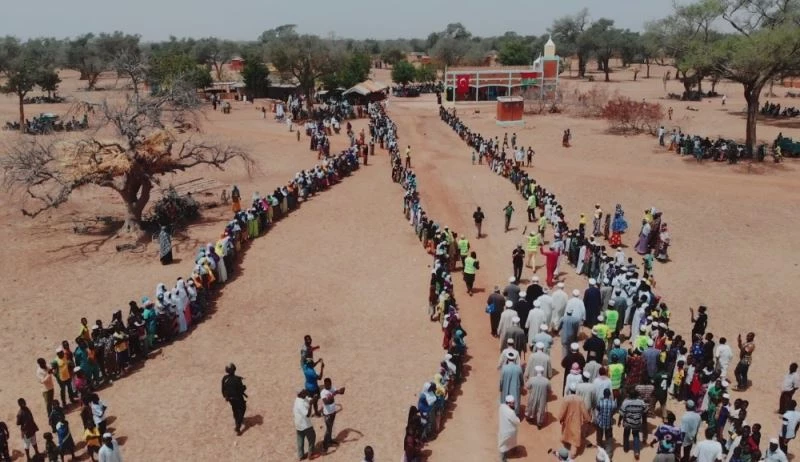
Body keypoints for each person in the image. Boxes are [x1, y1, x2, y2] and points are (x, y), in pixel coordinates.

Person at [559, 383, 592, 457]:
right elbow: (584, 411)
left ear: (570, 390)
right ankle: (573, 454)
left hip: (567, 419)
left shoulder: (566, 398)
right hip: (577, 421)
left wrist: (561, 418)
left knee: (566, 432)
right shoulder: (580, 399)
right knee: (575, 437)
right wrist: (588, 419)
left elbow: (563, 410)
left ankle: (566, 442)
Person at [221, 363, 248, 435]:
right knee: (242, 409)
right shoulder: (237, 379)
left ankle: (236, 420)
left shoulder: (224, 378)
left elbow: (223, 389)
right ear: (234, 370)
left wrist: (226, 396)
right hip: (238, 398)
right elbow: (240, 390)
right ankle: (238, 427)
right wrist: (244, 387)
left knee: (234, 409)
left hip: (229, 398)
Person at [620, 389, 647, 459]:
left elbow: (621, 413)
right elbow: (645, 411)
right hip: (637, 422)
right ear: (637, 395)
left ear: (629, 395)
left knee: (626, 435)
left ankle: (626, 448)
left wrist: (619, 421)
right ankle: (637, 452)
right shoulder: (641, 402)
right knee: (636, 436)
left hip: (627, 422)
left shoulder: (626, 402)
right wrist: (644, 420)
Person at [321, 377, 345, 451]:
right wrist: (334, 394)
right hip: (327, 414)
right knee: (328, 429)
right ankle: (325, 444)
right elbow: (326, 402)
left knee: (331, 428)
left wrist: (341, 391)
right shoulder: (323, 392)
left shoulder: (332, 388)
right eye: (325, 385)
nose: (326, 386)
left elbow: (340, 392)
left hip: (333, 412)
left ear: (330, 384)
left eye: (328, 385)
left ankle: (330, 440)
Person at [498, 396, 520, 462]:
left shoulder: (502, 407)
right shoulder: (511, 412)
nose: (514, 404)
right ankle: (503, 458)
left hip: (502, 430)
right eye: (512, 403)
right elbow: (517, 421)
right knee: (505, 445)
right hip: (510, 432)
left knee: (503, 444)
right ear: (509, 403)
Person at [595, 389, 616, 454]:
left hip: (600, 422)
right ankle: (608, 449)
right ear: (609, 395)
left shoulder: (600, 402)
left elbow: (598, 408)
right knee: (609, 437)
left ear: (604, 394)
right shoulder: (613, 403)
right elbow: (614, 411)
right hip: (609, 423)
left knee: (599, 434)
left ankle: (600, 445)